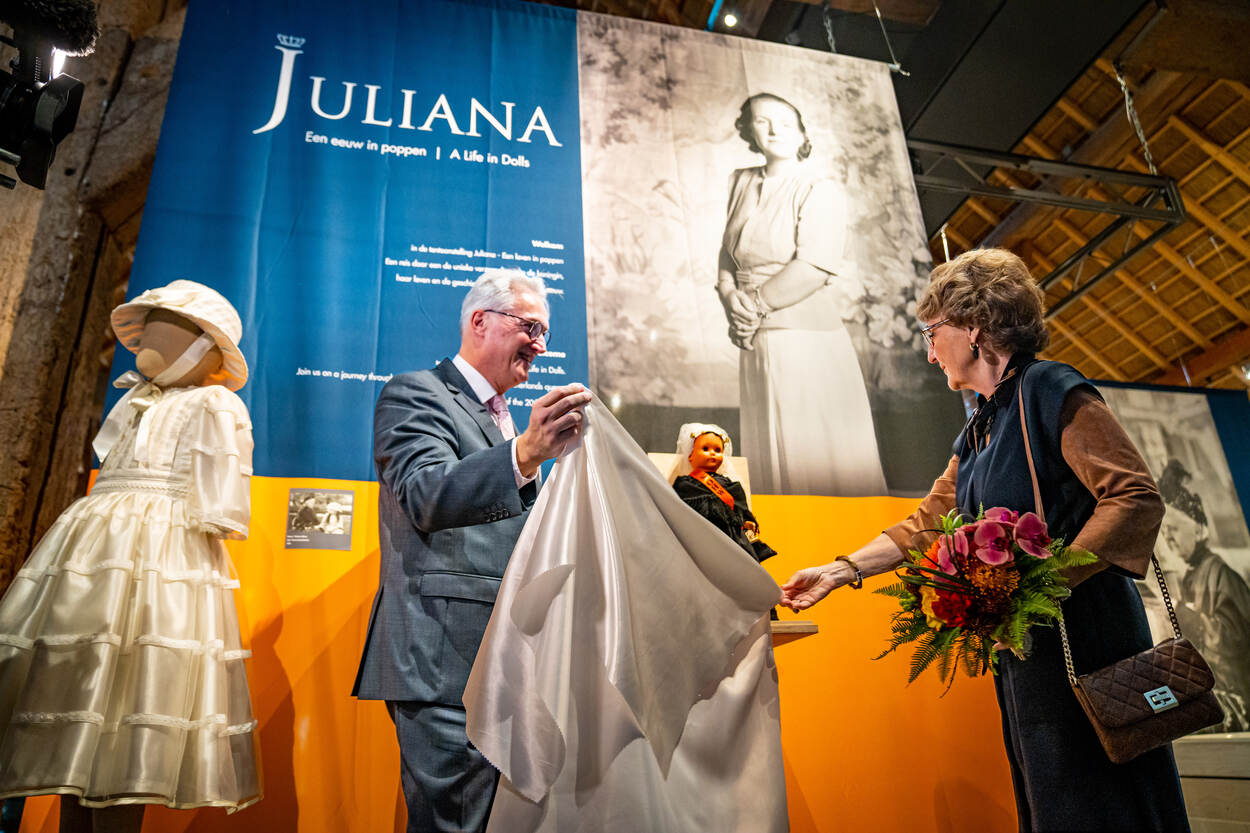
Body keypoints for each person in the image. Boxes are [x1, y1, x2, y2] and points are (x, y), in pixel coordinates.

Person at [780, 249, 1190, 832]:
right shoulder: (980, 427)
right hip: (1028, 651)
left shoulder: (1049, 388)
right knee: (1052, 799)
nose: (929, 351)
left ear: (973, 327)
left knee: (1101, 803)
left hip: (1084, 637)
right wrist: (840, 570)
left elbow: (1133, 496)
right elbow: (927, 522)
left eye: (932, 333)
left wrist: (1040, 583)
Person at [0, 280, 261, 831]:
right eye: (153, 326)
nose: (153, 340)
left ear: (205, 347)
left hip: (162, 556)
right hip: (96, 548)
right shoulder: (136, 400)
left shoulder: (214, 402)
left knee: (135, 692)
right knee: (77, 684)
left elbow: (221, 488)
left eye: (173, 330)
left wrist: (213, 518)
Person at [352, 269, 592, 833]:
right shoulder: (416, 393)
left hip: (499, 660)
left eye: (545, 333)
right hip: (443, 661)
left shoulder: (502, 416)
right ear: (480, 321)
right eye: (530, 327)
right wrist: (526, 452)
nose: (540, 345)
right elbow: (425, 494)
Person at [717, 91, 886, 497]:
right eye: (762, 121)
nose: (774, 130)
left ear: (801, 133)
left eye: (784, 121)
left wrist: (753, 307)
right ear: (749, 131)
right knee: (769, 457)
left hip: (804, 339)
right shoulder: (740, 180)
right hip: (755, 338)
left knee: (807, 453)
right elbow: (727, 252)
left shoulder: (818, 188)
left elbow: (815, 265)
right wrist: (728, 294)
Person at [1156, 459, 1250, 733]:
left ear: (1198, 528)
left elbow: (1235, 638)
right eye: (1165, 531)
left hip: (1237, 693)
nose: (1168, 538)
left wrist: (1183, 612)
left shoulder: (1221, 574)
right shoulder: (1193, 575)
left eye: (1174, 529)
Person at [670, 424, 776, 564]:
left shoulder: (731, 485)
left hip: (732, 538)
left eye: (718, 450)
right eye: (705, 449)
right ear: (690, 456)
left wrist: (745, 520)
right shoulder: (685, 484)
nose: (712, 453)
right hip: (700, 538)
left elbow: (740, 509)